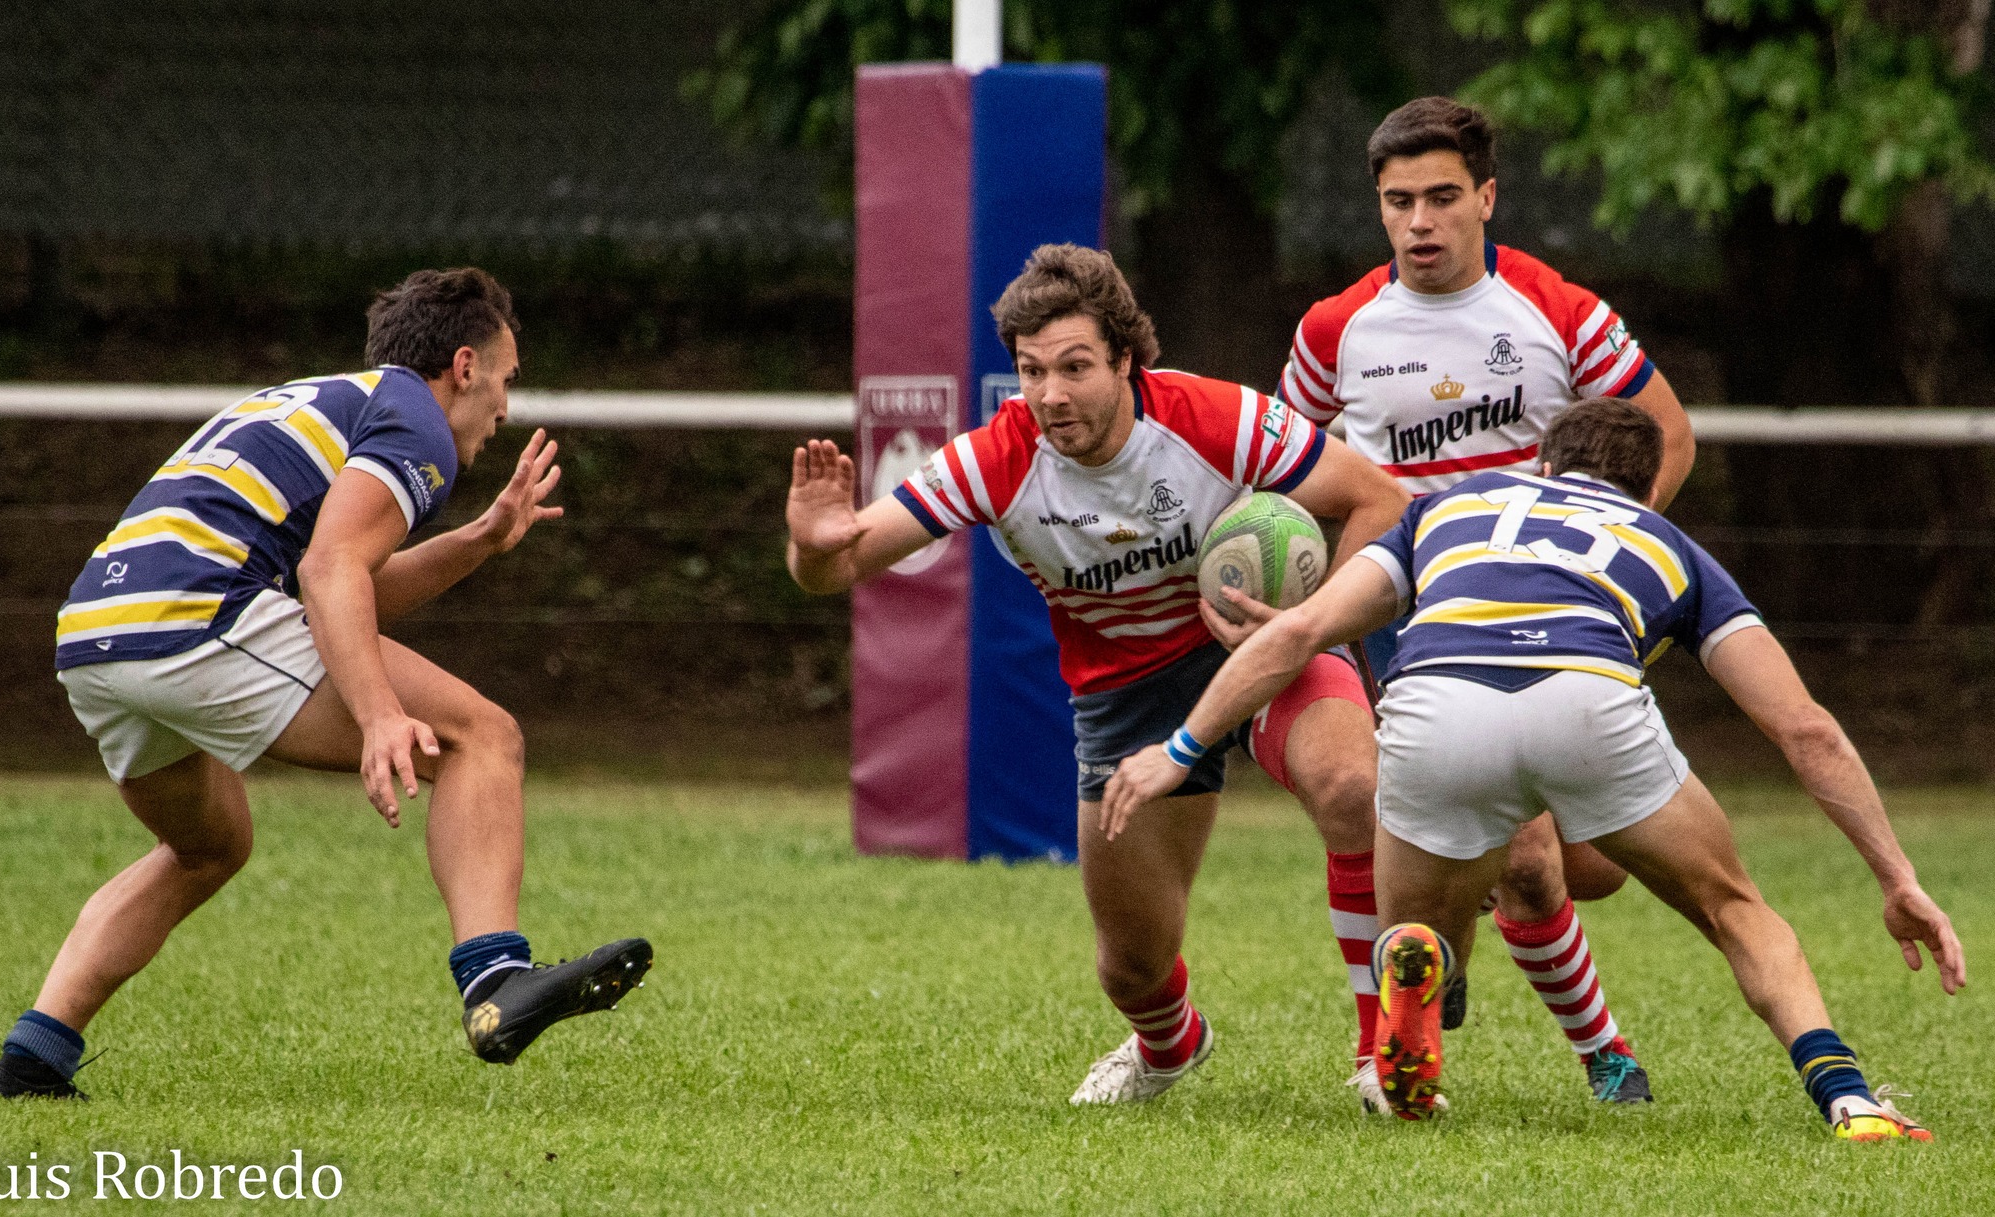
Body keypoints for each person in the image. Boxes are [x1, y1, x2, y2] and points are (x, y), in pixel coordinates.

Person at [1104, 397, 1964, 1138]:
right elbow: (1805, 730)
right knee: (1734, 908)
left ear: (1544, 462)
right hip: (1586, 702)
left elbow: (1296, 633)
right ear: (1645, 488)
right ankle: (1850, 1098)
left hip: (1437, 702)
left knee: (1420, 923)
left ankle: (1422, 979)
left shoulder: (1446, 509)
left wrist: (1178, 749)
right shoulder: (1665, 540)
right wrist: (1897, 877)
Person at [0, 268, 651, 1100]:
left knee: (207, 843)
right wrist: (377, 715)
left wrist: (480, 539)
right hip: (198, 615)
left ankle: (31, 1060)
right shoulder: (415, 415)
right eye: (508, 381)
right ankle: (496, 979)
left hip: (93, 631)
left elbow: (342, 586)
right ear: (466, 365)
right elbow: (330, 569)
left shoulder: (321, 397)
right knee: (483, 736)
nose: (506, 410)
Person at [787, 244, 1411, 1106]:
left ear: (1126, 358)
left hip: (1258, 647)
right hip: (1125, 696)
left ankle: (1384, 1049)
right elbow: (839, 565)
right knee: (1130, 964)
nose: (1050, 393)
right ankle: (1169, 1042)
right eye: (1031, 370)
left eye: (1075, 366)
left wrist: (1310, 625)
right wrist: (812, 546)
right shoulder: (994, 460)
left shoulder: (1213, 417)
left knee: (1351, 785)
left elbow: (1379, 496)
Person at [1274, 97, 1701, 1101]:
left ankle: (1437, 950)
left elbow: (1667, 435)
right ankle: (1592, 1052)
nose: (1419, 222)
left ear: (1486, 197)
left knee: (1582, 866)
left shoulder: (1555, 310)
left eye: (1440, 198)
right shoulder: (1333, 329)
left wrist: (1612, 559)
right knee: (1514, 844)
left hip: (1550, 601)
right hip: (1410, 614)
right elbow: (1284, 472)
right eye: (1396, 203)